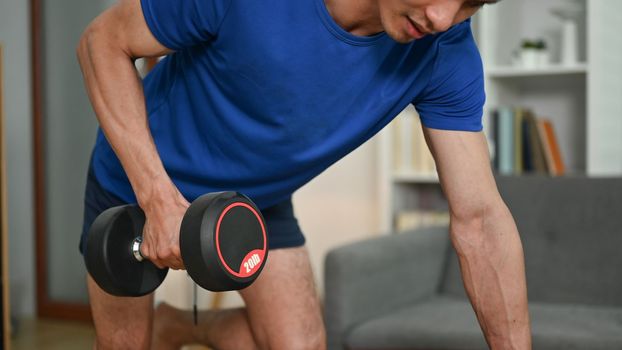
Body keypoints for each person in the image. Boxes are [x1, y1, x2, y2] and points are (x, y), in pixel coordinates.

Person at [77, 0, 532, 349]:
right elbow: (102, 42)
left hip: (255, 197)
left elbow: (481, 219)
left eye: (469, 3)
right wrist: (157, 199)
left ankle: (181, 324)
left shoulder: (446, 53)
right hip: (138, 181)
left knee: (301, 345)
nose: (440, 15)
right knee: (124, 345)